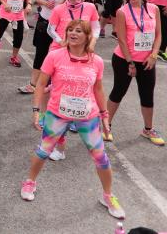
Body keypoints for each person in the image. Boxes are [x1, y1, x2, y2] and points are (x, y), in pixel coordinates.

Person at [20, 20, 125, 220]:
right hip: (57, 113)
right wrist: (36, 111)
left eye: (78, 31)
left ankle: (108, 196)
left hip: (88, 116)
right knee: (43, 151)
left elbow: (98, 89)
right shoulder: (55, 56)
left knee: (100, 157)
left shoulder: (97, 61)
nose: (73, 33)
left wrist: (104, 115)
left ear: (87, 36)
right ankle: (30, 181)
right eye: (70, 30)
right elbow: (41, 84)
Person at [105, 0, 164, 146]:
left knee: (147, 95)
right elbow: (122, 40)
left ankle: (148, 129)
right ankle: (106, 126)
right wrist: (130, 63)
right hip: (125, 59)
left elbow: (159, 35)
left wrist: (153, 55)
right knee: (118, 92)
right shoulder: (122, 12)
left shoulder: (154, 9)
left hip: (147, 61)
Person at [25, 0, 68, 94]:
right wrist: (44, 2)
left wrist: (58, 6)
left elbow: (68, 1)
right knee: (40, 52)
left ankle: (53, 84)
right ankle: (33, 84)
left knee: (57, 53)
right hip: (44, 19)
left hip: (59, 23)